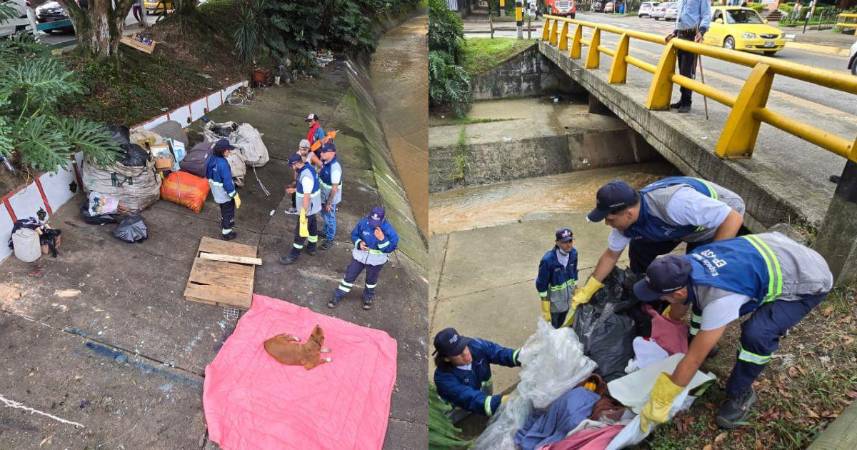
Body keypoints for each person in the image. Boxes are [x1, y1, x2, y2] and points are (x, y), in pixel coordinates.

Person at [633, 232, 832, 429]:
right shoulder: (687, 265)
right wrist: (670, 323)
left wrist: (663, 398)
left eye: (662, 297)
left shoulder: (720, 298)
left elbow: (694, 358)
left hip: (809, 279)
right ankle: (699, 340)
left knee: (757, 333)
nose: (660, 301)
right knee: (702, 306)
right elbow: (686, 302)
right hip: (776, 251)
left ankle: (741, 393)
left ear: (678, 292)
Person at [574, 177, 745, 322]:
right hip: (677, 226)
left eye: (610, 219)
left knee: (699, 275)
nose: (607, 223)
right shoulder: (626, 222)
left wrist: (710, 257)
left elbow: (732, 218)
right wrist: (588, 289)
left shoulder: (675, 204)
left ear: (629, 214)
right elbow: (611, 256)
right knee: (639, 247)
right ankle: (650, 296)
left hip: (717, 221)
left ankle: (694, 330)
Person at [433, 327, 521, 420]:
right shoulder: (443, 379)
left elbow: (499, 353)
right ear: (446, 359)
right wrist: (500, 403)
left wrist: (524, 356)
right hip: (458, 410)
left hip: (482, 395)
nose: (466, 353)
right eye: (457, 353)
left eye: (463, 346)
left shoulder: (476, 345)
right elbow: (469, 398)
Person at [329, 206, 399, 310]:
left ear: (383, 219)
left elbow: (390, 248)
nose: (373, 224)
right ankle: (338, 294)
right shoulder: (363, 223)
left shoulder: (390, 231)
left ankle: (368, 297)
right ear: (369, 216)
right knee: (349, 276)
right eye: (371, 220)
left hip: (376, 261)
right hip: (359, 257)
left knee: (371, 280)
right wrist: (359, 243)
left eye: (376, 222)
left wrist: (382, 239)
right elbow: (354, 235)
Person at [665, 0, 710, 113]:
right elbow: (681, 17)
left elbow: (706, 15)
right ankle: (682, 99)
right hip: (680, 35)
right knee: (681, 70)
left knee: (687, 71)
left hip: (692, 36)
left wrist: (702, 31)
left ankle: (687, 101)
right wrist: (674, 32)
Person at [280, 153, 321, 265]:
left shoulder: (306, 176)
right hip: (313, 207)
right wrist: (295, 190)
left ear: (295, 164)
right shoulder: (307, 167)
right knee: (312, 227)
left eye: (291, 166)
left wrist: (303, 213)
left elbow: (307, 196)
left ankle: (293, 255)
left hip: (307, 209)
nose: (292, 168)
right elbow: (305, 188)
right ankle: (312, 248)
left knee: (300, 232)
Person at [536, 227, 579, 328]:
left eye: (570, 241)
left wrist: (576, 290)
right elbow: (541, 285)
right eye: (564, 242)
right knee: (555, 329)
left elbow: (574, 271)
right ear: (557, 242)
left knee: (568, 327)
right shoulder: (548, 260)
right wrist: (545, 307)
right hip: (555, 305)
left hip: (570, 301)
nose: (568, 244)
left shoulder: (574, 253)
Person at [206, 139, 241, 241]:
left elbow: (207, 174)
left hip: (215, 190)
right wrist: (234, 195)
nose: (229, 152)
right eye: (227, 150)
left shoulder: (211, 158)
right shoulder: (223, 164)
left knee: (223, 207)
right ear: (222, 151)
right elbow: (227, 183)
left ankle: (224, 221)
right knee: (228, 211)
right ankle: (227, 232)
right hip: (224, 193)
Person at [285, 139, 322, 215]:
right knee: (296, 193)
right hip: (300, 176)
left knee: (306, 195)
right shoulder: (297, 154)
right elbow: (295, 168)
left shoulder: (311, 155)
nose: (303, 151)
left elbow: (321, 165)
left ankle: (305, 210)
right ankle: (295, 207)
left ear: (308, 149)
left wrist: (315, 173)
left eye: (305, 149)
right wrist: (295, 179)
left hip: (307, 177)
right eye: (302, 149)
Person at [318, 141, 342, 250]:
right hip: (323, 196)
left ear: (332, 153)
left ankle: (330, 238)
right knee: (325, 215)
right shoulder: (326, 162)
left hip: (330, 199)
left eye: (324, 152)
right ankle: (325, 231)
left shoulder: (335, 168)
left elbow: (334, 188)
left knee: (330, 218)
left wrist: (329, 203)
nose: (321, 154)